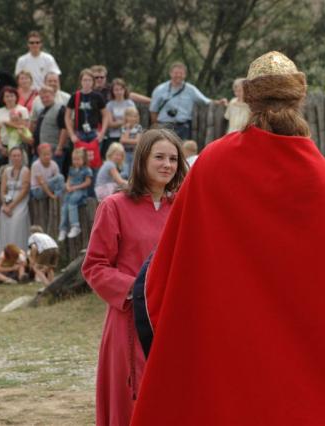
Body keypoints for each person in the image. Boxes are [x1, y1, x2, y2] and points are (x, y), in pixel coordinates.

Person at [130, 51, 325, 425]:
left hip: (229, 334)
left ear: (249, 100)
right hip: (302, 340)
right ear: (298, 100)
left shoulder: (214, 162)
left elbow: (172, 260)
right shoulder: (314, 170)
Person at [82, 128, 186, 426]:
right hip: (128, 321)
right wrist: (140, 291)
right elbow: (95, 266)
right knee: (130, 405)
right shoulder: (115, 206)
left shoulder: (182, 208)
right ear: (142, 160)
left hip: (172, 321)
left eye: (173, 159)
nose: (167, 165)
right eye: (159, 157)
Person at [149, 62, 226, 139]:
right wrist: (156, 128)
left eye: (181, 73)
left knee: (183, 146)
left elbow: (205, 101)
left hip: (183, 127)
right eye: (176, 73)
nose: (178, 75)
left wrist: (219, 102)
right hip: (164, 126)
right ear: (170, 73)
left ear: (185, 75)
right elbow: (153, 110)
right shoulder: (160, 89)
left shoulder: (190, 89)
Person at [65, 69, 107, 170]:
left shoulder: (98, 96)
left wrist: (102, 133)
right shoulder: (75, 96)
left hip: (94, 132)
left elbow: (105, 115)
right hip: (80, 133)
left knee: (95, 161)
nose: (87, 83)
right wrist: (71, 134)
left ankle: (94, 179)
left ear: (93, 82)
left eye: (89, 80)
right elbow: (67, 116)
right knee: (80, 162)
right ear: (81, 81)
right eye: (84, 80)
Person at [0, 146, 31, 256]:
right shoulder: (6, 171)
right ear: (10, 157)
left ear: (22, 157)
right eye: (14, 156)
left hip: (19, 202)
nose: (16, 158)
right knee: (4, 222)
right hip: (7, 201)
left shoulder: (25, 171)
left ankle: (18, 254)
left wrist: (11, 206)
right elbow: (2, 190)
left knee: (16, 223)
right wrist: (5, 205)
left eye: (18, 155)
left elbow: (24, 190)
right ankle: (4, 255)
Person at [58, 148, 92, 241]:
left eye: (78, 159)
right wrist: (68, 186)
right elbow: (68, 180)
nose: (76, 161)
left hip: (80, 191)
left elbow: (88, 182)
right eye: (74, 159)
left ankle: (75, 226)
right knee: (64, 206)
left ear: (83, 159)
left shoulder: (86, 170)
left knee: (72, 202)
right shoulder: (72, 169)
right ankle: (63, 229)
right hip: (72, 191)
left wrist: (75, 187)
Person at [30, 85, 67, 169]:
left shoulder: (60, 109)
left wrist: (60, 147)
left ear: (53, 95)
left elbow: (64, 129)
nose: (44, 100)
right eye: (42, 98)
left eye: (47, 97)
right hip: (39, 151)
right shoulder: (42, 111)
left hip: (53, 151)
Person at [0, 87, 32, 162]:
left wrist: (7, 123)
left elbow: (24, 127)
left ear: (16, 97)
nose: (9, 98)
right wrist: (0, 146)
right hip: (3, 144)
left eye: (12, 96)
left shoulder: (23, 110)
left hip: (19, 144)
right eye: (7, 96)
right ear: (3, 99)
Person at [105, 79, 135, 157]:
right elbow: (110, 124)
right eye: (116, 90)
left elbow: (133, 121)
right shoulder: (109, 105)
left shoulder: (130, 103)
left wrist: (117, 121)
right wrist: (125, 120)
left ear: (124, 90)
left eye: (121, 89)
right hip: (114, 136)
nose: (119, 92)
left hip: (128, 136)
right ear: (112, 91)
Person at [118, 107, 143, 177]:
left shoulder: (138, 127)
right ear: (126, 117)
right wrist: (128, 129)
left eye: (135, 116)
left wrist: (126, 140)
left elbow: (137, 141)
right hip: (125, 152)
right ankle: (125, 183)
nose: (132, 118)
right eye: (130, 116)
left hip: (135, 152)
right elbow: (122, 141)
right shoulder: (124, 127)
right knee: (125, 172)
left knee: (133, 172)